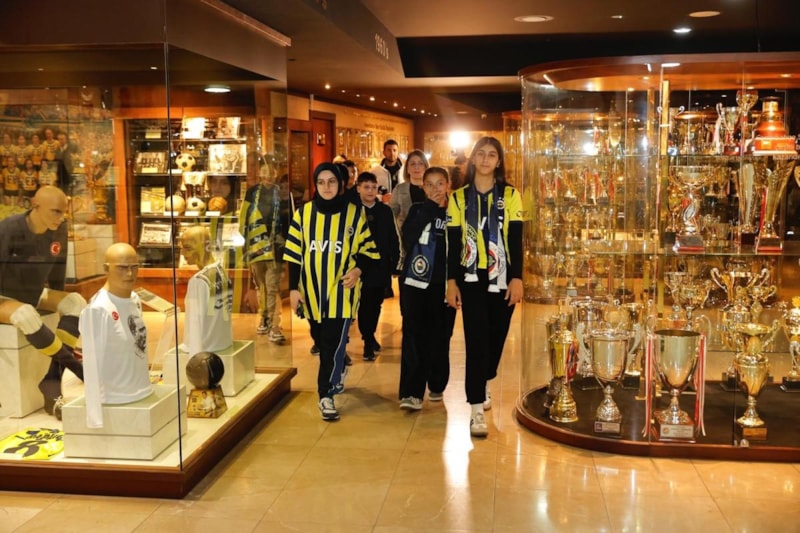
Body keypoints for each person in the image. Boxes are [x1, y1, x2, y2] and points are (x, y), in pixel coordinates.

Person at [284, 163, 379, 421]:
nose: (327, 187)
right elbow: (293, 254)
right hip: (311, 293)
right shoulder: (303, 214)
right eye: (321, 182)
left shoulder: (354, 214)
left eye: (332, 182)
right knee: (320, 338)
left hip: (342, 293)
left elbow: (369, 252)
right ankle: (337, 368)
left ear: (341, 184)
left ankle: (325, 395)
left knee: (331, 343)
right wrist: (293, 289)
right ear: (316, 185)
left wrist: (357, 270)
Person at [445, 136, 524, 437]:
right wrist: (451, 281)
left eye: (492, 154)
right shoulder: (458, 198)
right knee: (476, 341)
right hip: (471, 278)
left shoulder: (511, 195)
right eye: (481, 153)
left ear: (499, 161)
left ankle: (485, 377)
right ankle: (476, 408)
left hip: (503, 277)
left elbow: (515, 239)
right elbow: (453, 243)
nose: (486, 159)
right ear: (473, 159)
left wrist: (517, 277)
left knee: (496, 337)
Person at [0, 186, 86, 418]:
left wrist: (60, 305)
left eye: (63, 212)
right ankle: (78, 368)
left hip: (34, 292)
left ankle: (52, 379)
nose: (61, 217)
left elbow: (58, 269)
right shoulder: (8, 229)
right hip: (3, 295)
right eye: (55, 211)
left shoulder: (59, 230)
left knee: (76, 302)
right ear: (35, 206)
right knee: (26, 314)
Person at [79, 242, 152, 429]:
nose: (129, 274)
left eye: (134, 267)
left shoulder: (134, 299)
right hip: (116, 400)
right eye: (122, 268)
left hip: (142, 392)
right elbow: (91, 365)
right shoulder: (98, 310)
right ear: (106, 269)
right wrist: (95, 417)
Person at [398, 166, 452, 410]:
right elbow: (408, 237)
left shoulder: (455, 212)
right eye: (429, 184)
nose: (435, 189)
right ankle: (412, 392)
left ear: (448, 185)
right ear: (423, 187)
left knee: (441, 335)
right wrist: (430, 208)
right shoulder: (418, 209)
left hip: (444, 284)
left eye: (440, 183)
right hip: (414, 282)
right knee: (413, 334)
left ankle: (437, 383)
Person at [238, 161, 290, 343]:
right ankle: (264, 317)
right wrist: (245, 244)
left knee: (272, 287)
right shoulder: (252, 192)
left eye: (271, 171)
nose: (268, 174)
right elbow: (243, 219)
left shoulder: (281, 192)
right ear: (260, 172)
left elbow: (287, 218)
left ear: (276, 172)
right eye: (264, 171)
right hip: (255, 247)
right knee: (261, 286)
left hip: (275, 249)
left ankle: (275, 326)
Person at [356, 171, 400, 361]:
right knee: (363, 304)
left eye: (373, 187)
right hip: (359, 267)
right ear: (358, 188)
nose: (370, 191)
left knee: (375, 304)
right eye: (366, 187)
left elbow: (392, 237)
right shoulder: (353, 211)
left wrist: (395, 262)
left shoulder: (384, 211)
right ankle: (367, 339)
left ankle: (370, 335)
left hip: (380, 266)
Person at [179, 225, 233, 355]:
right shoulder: (222, 273)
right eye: (182, 248)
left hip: (205, 349)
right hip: (223, 343)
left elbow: (194, 324)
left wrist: (194, 357)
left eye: (188, 248)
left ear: (203, 247)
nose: (183, 253)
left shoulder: (198, 281)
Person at [389, 149, 429, 232]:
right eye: (413, 164)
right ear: (407, 168)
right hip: (404, 235)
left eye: (420, 163)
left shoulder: (433, 188)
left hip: (429, 234)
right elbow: (391, 214)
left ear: (426, 167)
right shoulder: (399, 189)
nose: (416, 167)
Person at [370, 139, 403, 203]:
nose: (392, 153)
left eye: (394, 150)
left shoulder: (404, 171)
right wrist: (381, 198)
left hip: (401, 207)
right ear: (384, 152)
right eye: (389, 150)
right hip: (382, 206)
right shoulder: (375, 172)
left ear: (398, 152)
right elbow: (369, 191)